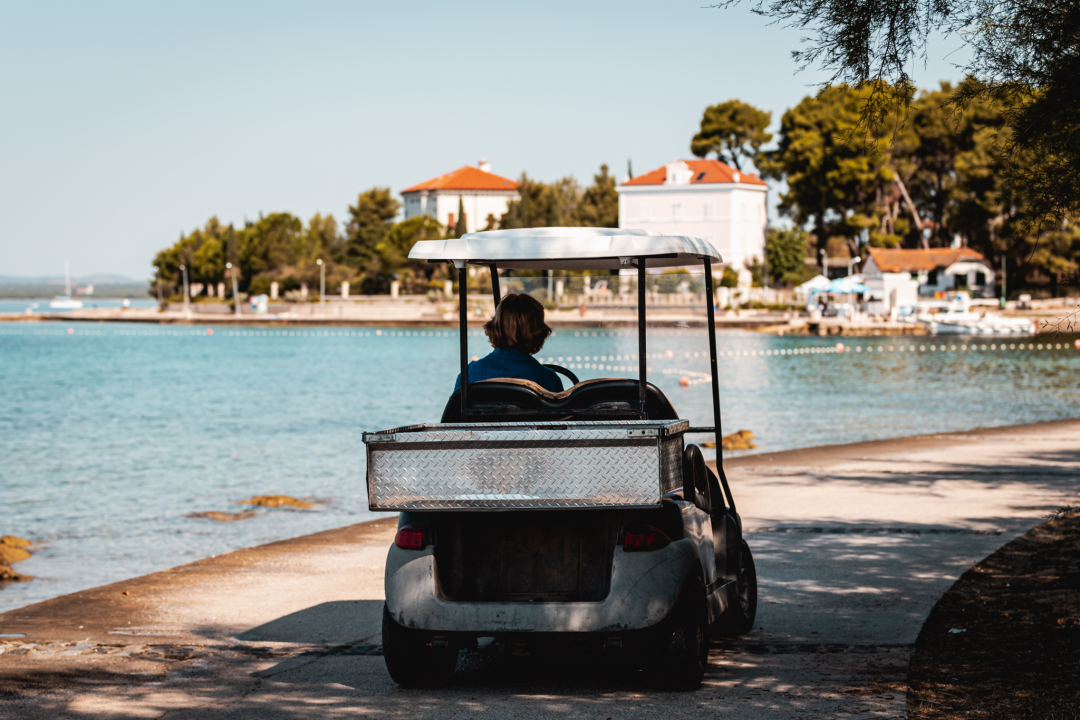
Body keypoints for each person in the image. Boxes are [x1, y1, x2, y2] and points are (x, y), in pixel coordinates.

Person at [453, 293, 563, 394]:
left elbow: (453, 414)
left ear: (495, 327)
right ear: (538, 333)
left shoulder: (469, 376)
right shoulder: (548, 380)